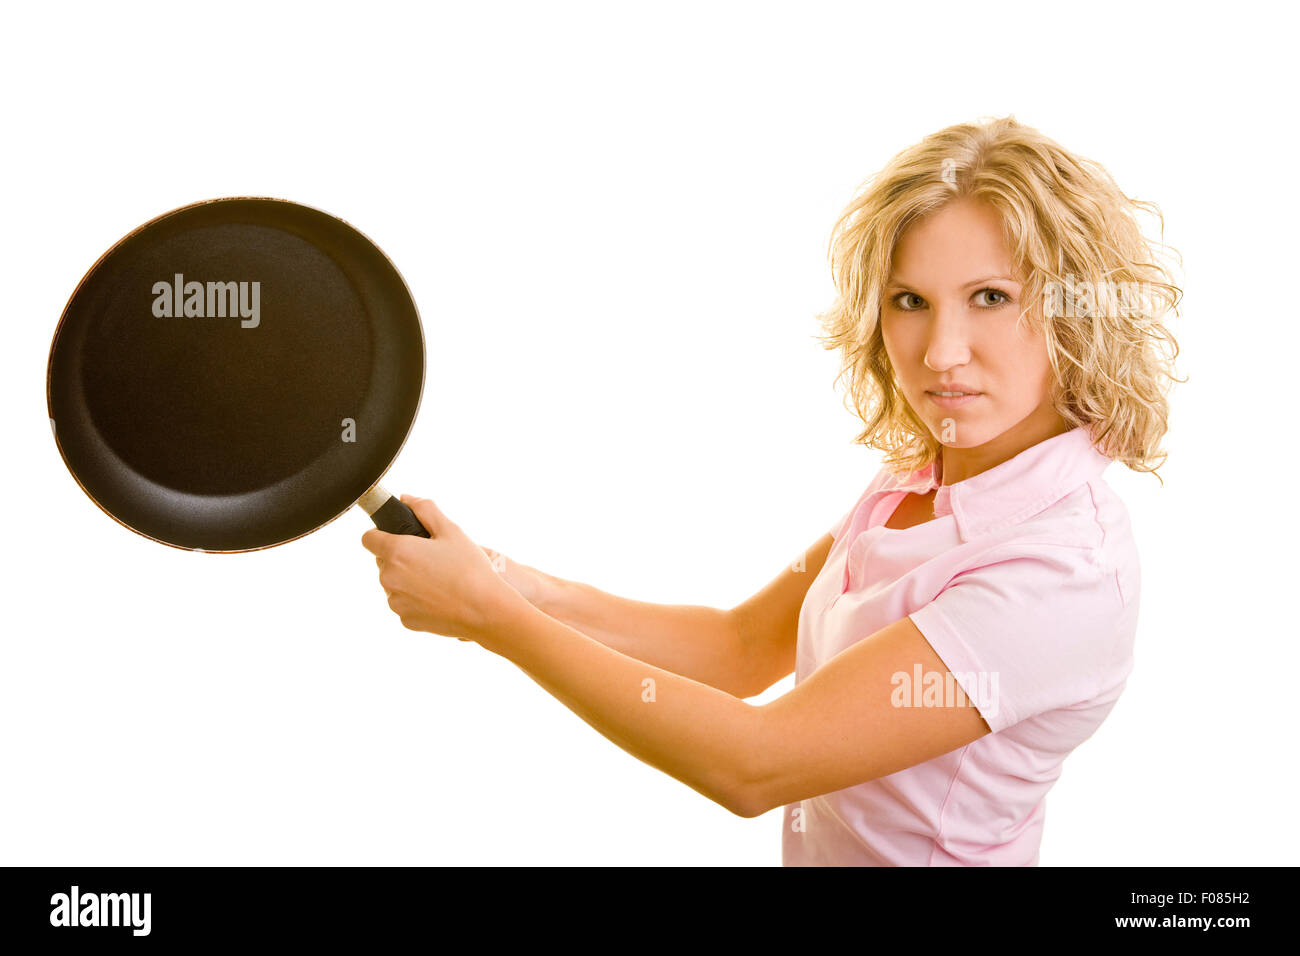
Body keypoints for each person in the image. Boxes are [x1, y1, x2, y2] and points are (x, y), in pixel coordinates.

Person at [361, 115, 1183, 866]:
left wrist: (492, 621)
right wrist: (510, 583)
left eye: (991, 299)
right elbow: (740, 649)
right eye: (909, 301)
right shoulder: (926, 471)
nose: (940, 354)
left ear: (1079, 311)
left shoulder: (1059, 573)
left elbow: (755, 764)